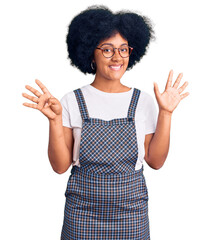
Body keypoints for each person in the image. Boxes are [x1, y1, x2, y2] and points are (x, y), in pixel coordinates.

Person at [22, 5, 189, 240]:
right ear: (91, 52)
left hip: (132, 213)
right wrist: (55, 120)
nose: (117, 57)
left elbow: (156, 161)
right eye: (108, 49)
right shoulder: (71, 101)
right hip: (82, 214)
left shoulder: (144, 101)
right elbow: (60, 167)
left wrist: (166, 113)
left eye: (123, 49)